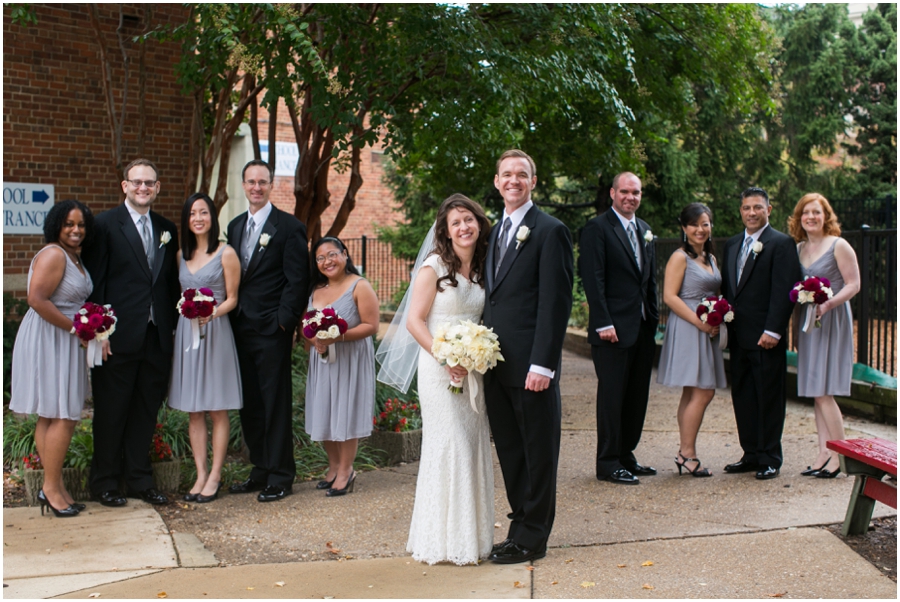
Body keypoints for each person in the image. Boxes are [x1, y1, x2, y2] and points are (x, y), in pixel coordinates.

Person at [483, 150, 574, 565]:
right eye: (507, 174)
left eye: (522, 174)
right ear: (497, 181)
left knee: (538, 454)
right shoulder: (494, 231)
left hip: (532, 368)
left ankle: (533, 537)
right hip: (496, 366)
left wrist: (544, 364)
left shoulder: (550, 230)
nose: (514, 180)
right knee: (512, 453)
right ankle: (519, 526)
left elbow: (555, 303)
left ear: (533, 181)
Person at [396, 194, 495, 565]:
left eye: (468, 219)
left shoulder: (485, 266)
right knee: (449, 444)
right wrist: (446, 359)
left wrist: (473, 356)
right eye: (455, 223)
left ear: (478, 223)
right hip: (439, 370)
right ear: (446, 230)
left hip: (473, 368)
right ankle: (440, 540)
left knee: (471, 446)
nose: (463, 227)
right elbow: (414, 321)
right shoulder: (433, 267)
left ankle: (472, 539)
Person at [82, 159, 180, 507]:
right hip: (117, 337)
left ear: (157, 187)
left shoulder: (167, 228)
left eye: (149, 183)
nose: (143, 188)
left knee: (144, 412)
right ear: (125, 185)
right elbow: (96, 283)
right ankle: (105, 483)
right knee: (111, 411)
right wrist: (99, 333)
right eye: (136, 182)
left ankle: (139, 480)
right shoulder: (105, 225)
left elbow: (168, 285)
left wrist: (172, 331)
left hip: (155, 338)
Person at [227, 159, 309, 502]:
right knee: (250, 403)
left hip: (270, 329)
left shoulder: (288, 227)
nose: (256, 187)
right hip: (238, 327)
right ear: (243, 185)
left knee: (275, 403)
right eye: (251, 182)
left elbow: (298, 280)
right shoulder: (233, 226)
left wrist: (283, 322)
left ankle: (280, 474)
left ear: (271, 185)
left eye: (262, 182)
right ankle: (260, 469)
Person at [10, 200, 94, 517]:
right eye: (69, 224)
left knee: (52, 412)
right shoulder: (53, 254)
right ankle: (50, 488)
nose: (76, 230)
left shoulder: (74, 256)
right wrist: (77, 329)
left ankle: (55, 487)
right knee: (63, 413)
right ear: (57, 225)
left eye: (81, 225)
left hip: (64, 335)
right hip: (50, 336)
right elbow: (35, 299)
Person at [579, 172, 659, 485]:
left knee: (636, 396)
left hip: (641, 327)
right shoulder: (598, 228)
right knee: (612, 398)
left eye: (635, 192)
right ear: (613, 193)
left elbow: (648, 279)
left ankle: (626, 454)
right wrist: (603, 322)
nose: (630, 197)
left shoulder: (645, 229)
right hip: (610, 330)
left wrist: (651, 317)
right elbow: (593, 277)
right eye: (624, 191)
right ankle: (608, 461)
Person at [720, 187, 801, 480]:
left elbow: (785, 290)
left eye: (757, 207)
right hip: (739, 336)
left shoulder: (781, 243)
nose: (751, 213)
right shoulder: (731, 245)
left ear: (769, 210)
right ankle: (751, 453)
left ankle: (769, 457)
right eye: (746, 208)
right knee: (742, 395)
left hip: (766, 337)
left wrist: (773, 330)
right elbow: (730, 290)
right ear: (740, 211)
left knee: (768, 397)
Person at [167, 193, 243, 503]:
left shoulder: (226, 253)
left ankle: (215, 475)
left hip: (215, 331)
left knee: (216, 408)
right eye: (192, 213)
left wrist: (211, 313)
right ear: (186, 219)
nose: (198, 218)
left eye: (204, 212)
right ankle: (200, 473)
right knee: (194, 411)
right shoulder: (180, 255)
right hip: (188, 334)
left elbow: (233, 298)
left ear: (212, 217)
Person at [788, 193, 859, 478]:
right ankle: (823, 453)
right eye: (806, 213)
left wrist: (828, 304)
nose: (811, 217)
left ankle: (841, 454)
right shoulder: (799, 248)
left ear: (825, 215)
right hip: (809, 322)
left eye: (817, 212)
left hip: (832, 319)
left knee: (823, 390)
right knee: (816, 391)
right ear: (800, 218)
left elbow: (853, 284)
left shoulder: (838, 245)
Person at [304, 236, 378, 497]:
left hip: (350, 359)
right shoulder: (316, 290)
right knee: (324, 409)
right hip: (323, 359)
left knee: (345, 412)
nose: (327, 261)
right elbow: (306, 323)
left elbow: (371, 325)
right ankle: (334, 466)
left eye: (332, 254)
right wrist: (313, 338)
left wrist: (339, 336)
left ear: (345, 255)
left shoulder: (359, 286)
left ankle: (347, 470)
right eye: (320, 258)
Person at [657, 203, 726, 477]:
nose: (701, 229)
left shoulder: (711, 258)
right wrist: (700, 323)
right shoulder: (679, 257)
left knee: (693, 391)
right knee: (704, 391)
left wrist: (719, 316)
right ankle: (688, 453)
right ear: (684, 228)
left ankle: (685, 452)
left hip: (707, 329)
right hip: (688, 326)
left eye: (705, 224)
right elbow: (670, 297)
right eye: (695, 224)